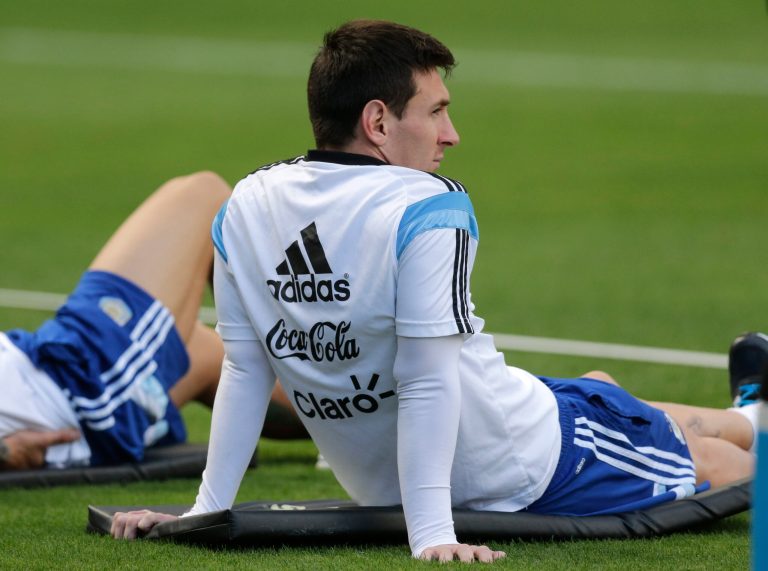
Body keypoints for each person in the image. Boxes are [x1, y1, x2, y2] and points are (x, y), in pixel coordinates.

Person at [110, 21, 758, 563]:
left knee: (620, 406)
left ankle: (750, 411)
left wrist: (208, 508)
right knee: (721, 467)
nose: (451, 135)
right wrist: (433, 537)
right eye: (437, 111)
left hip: (519, 428)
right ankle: (747, 414)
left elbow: (250, 370)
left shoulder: (246, 205)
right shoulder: (425, 205)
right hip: (527, 467)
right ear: (378, 122)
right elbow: (415, 380)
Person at [0, 172, 305, 471]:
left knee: (215, 357)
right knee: (201, 195)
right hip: (79, 387)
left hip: (57, 381)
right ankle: (320, 341)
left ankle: (342, 413)